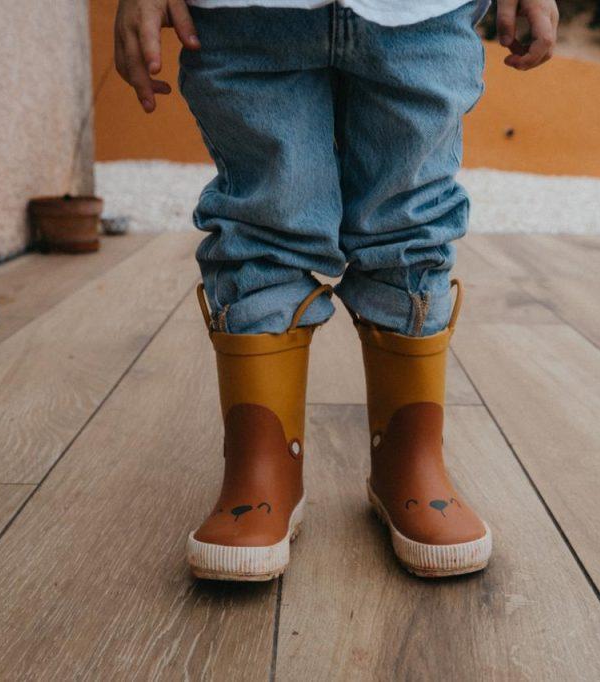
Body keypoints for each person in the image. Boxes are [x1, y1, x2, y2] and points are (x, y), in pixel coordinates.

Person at [114, 0, 559, 581]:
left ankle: (409, 458)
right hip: (243, 14)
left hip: (421, 12)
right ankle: (262, 467)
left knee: (411, 227)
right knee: (262, 223)